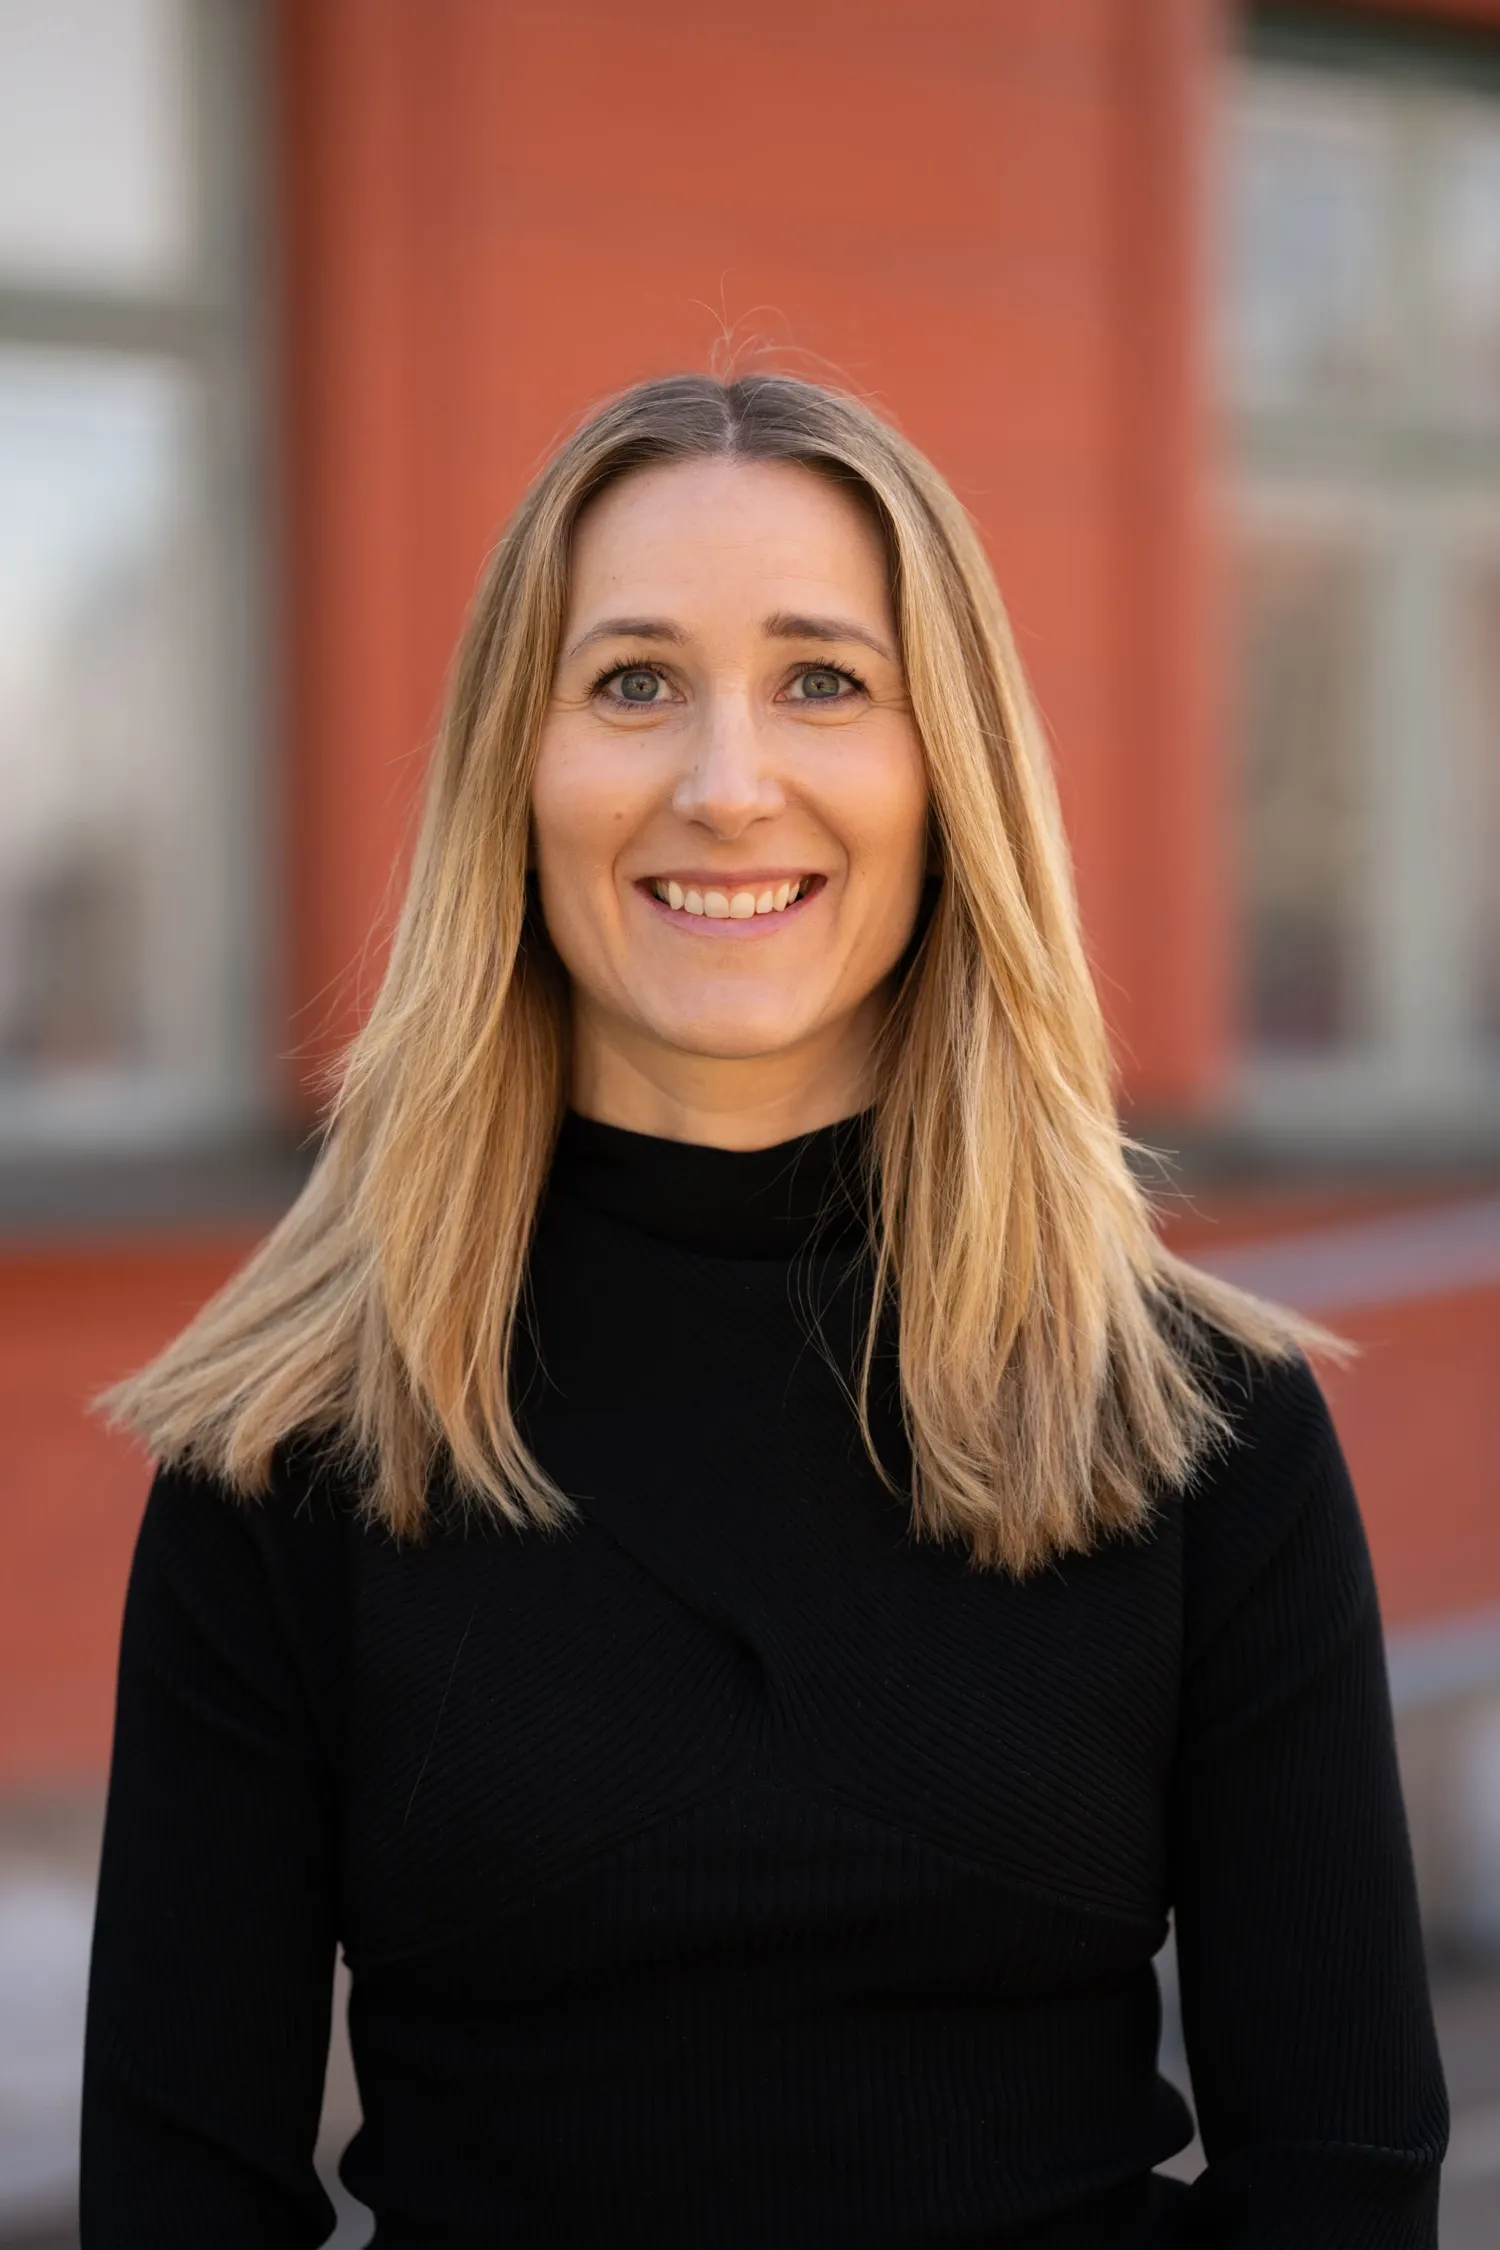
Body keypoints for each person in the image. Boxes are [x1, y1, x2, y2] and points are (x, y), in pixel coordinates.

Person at [81, 372, 1446, 2248]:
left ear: (944, 766)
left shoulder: (1201, 1429)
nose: (727, 783)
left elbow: (1343, 2185)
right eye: (633, 681)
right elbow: (180, 2206)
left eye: (825, 679)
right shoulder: (298, 1445)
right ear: (519, 773)